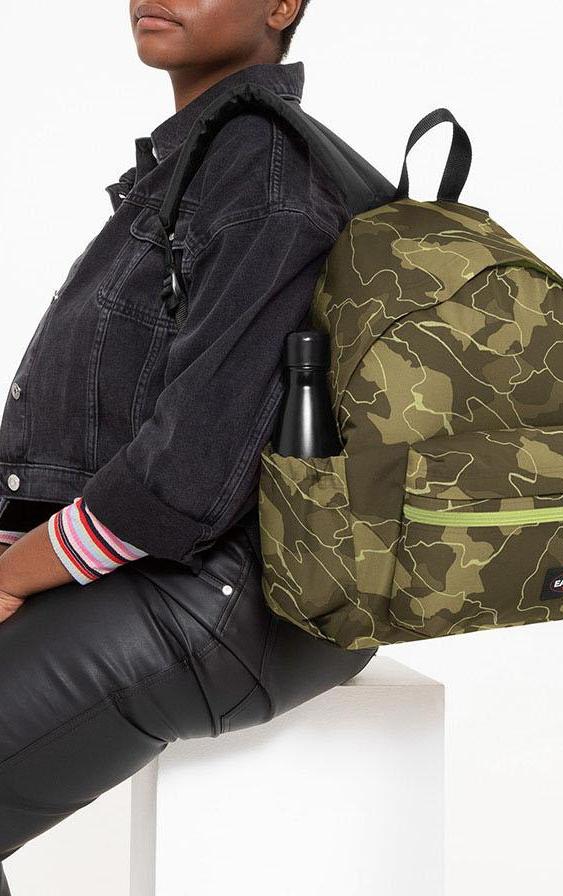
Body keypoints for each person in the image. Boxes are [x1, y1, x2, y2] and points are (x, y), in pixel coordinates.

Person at [0, 2, 382, 890]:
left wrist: (15, 575)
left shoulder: (266, 174)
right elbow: (107, 420)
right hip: (170, 574)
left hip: (226, 597)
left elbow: (184, 478)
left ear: (282, 5)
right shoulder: (204, 159)